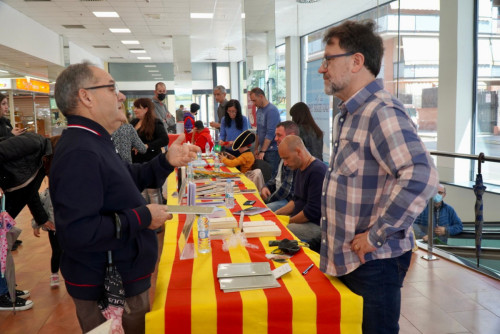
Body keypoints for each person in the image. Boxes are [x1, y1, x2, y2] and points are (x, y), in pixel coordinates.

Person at [50, 61, 199, 333]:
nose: (120, 96)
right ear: (86, 96)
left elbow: (123, 180)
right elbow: (79, 231)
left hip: (121, 272)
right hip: (107, 283)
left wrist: (166, 162)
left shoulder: (94, 140)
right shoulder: (80, 152)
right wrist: (143, 216)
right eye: (111, 88)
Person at [317, 20, 438, 334]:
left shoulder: (380, 111)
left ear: (357, 61)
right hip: (351, 262)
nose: (322, 69)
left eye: (328, 59)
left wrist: (375, 236)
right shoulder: (349, 113)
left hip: (372, 264)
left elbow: (421, 176)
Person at [0, 132, 53, 311]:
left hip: (5, 212)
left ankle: (5, 290)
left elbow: (30, 194)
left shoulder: (41, 166)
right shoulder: (34, 143)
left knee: (3, 248)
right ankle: (2, 295)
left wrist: (43, 220)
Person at [275, 136, 326, 242]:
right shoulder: (299, 168)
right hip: (302, 221)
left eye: (286, 158)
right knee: (274, 222)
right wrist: (276, 214)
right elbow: (295, 200)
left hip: (315, 225)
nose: (285, 163)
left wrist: (287, 221)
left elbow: (311, 212)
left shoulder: (317, 171)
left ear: (298, 152)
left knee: (281, 230)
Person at [31, 135, 62, 288]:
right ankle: (54, 273)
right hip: (54, 226)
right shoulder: (48, 192)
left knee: (67, 251)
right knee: (57, 251)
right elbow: (40, 203)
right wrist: (36, 223)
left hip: (66, 225)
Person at [130, 98, 169, 205]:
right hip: (136, 163)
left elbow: (164, 139)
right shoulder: (133, 122)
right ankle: (145, 218)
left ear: (146, 109)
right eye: (135, 107)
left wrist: (147, 145)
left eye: (138, 107)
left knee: (153, 192)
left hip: (151, 161)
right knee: (141, 192)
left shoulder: (156, 123)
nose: (135, 110)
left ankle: (157, 217)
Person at [261, 121, 300, 211]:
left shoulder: (293, 157)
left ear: (291, 136)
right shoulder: (282, 151)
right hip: (278, 195)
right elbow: (275, 177)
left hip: (287, 201)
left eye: (279, 135)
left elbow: (286, 190)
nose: (275, 139)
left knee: (262, 211)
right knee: (253, 198)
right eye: (275, 135)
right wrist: (266, 187)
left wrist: (268, 200)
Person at [249, 87, 281, 172]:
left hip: (272, 150)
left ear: (261, 96)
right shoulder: (259, 110)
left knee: (271, 176)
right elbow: (258, 131)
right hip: (263, 149)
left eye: (254, 100)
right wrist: (256, 148)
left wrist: (263, 150)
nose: (254, 103)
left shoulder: (272, 110)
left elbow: (270, 133)